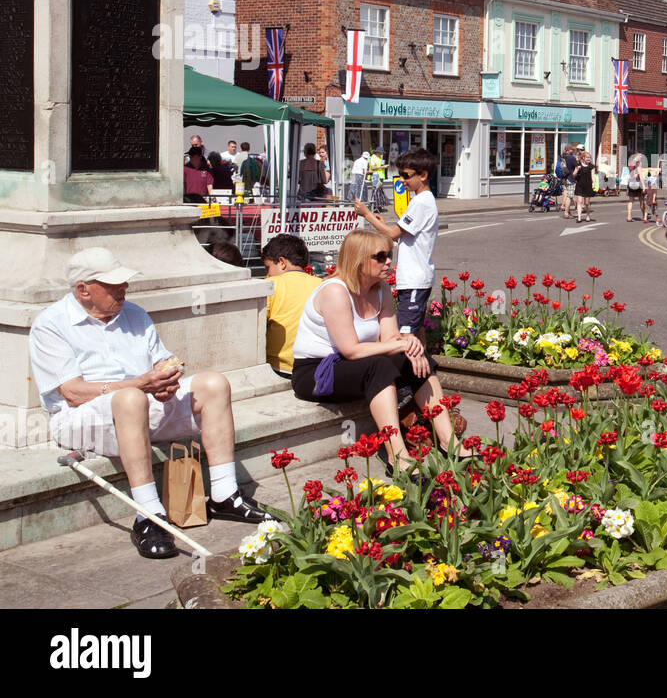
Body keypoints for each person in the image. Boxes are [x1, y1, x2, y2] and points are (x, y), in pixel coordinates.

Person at [29, 248, 274, 558]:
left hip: (140, 404)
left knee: (214, 384)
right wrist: (139, 385)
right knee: (130, 398)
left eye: (123, 283)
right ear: (83, 290)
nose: (124, 289)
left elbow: (164, 361)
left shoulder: (134, 313)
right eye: (113, 285)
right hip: (82, 418)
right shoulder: (50, 324)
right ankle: (148, 514)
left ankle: (225, 494)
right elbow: (72, 392)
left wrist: (168, 380)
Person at [292, 229, 467, 470]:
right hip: (317, 372)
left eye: (390, 255)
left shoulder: (381, 288)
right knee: (380, 365)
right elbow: (351, 350)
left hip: (353, 364)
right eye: (380, 256)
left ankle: (449, 441)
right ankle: (396, 454)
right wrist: (401, 342)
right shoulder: (335, 291)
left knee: (416, 354)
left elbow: (390, 338)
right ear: (358, 259)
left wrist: (408, 343)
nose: (388, 262)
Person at [354, 147, 439, 342]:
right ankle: (423, 370)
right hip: (415, 277)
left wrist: (366, 214)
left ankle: (413, 369)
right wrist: (381, 224)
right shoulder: (422, 200)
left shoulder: (421, 202)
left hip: (414, 278)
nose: (402, 179)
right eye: (400, 174)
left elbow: (393, 233)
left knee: (405, 334)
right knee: (416, 330)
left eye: (406, 175)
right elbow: (400, 235)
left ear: (423, 175)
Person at [261, 234, 322, 377]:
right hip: (316, 366)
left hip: (279, 368)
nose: (268, 274)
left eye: (268, 267)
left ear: (282, 262)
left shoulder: (271, 286)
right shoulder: (323, 285)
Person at [572, 149, 596, 222]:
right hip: (580, 185)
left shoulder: (591, 166)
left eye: (589, 158)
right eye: (587, 158)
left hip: (588, 185)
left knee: (586, 203)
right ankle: (579, 217)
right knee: (579, 201)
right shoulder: (579, 165)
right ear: (583, 158)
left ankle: (588, 215)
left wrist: (594, 183)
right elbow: (573, 175)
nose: (589, 159)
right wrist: (576, 170)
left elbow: (593, 176)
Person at [625, 152, 648, 222]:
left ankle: (629, 216)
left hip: (631, 183)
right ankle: (644, 216)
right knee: (641, 200)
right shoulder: (638, 164)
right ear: (636, 156)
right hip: (638, 184)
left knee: (631, 200)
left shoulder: (630, 163)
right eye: (640, 156)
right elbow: (640, 175)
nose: (641, 157)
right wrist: (644, 186)